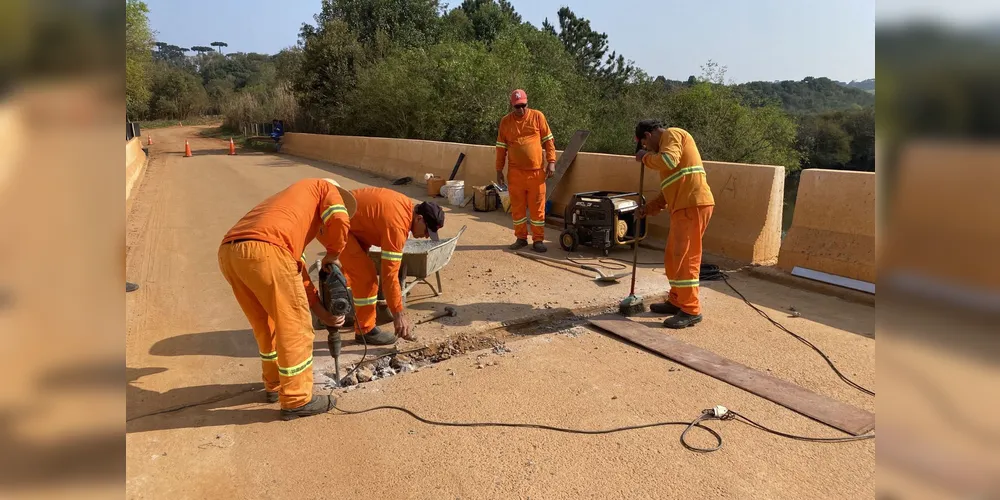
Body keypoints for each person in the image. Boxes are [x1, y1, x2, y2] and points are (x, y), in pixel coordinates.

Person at [218, 178, 356, 420]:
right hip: (266, 252)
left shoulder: (287, 215)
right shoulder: (323, 188)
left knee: (266, 324)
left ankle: (274, 385)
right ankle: (296, 399)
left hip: (231, 253)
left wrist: (325, 316)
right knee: (296, 328)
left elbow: (298, 276)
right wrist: (332, 256)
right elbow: (340, 218)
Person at [633, 120, 715, 329]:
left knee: (686, 258)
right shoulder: (667, 155)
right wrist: (648, 209)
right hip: (683, 207)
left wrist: (646, 159)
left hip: (693, 204)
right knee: (673, 257)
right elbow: (668, 191)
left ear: (648, 135)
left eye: (644, 145)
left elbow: (668, 161)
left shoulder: (672, 134)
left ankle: (691, 309)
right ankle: (677, 300)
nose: (646, 150)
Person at [340, 187, 445, 345]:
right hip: (337, 223)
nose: (426, 236)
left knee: (354, 270)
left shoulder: (405, 206)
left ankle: (337, 311)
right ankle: (365, 330)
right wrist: (398, 315)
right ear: (419, 219)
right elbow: (389, 275)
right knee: (366, 278)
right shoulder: (397, 226)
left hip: (349, 222)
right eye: (427, 231)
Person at [495, 89, 557, 252]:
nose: (521, 109)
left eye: (523, 105)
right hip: (515, 174)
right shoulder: (505, 122)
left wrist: (551, 161)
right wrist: (498, 170)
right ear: (512, 106)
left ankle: (538, 240)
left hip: (536, 173)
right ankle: (521, 238)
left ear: (527, 103)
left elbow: (548, 141)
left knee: (537, 209)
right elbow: (501, 148)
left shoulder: (538, 117)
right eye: (517, 107)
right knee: (518, 208)